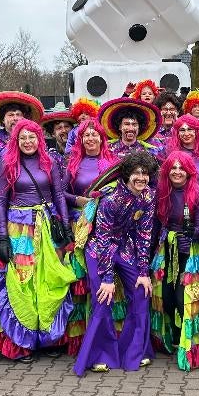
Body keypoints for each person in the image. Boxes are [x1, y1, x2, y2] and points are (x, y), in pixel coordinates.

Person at [0, 119, 75, 362]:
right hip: (19, 229)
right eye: (23, 138)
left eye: (32, 137)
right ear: (16, 140)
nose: (28, 142)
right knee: (21, 282)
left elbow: (58, 195)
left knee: (48, 279)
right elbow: (0, 202)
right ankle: (21, 343)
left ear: (39, 139)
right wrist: (3, 237)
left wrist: (66, 228)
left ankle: (48, 338)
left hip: (47, 227)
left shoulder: (50, 163)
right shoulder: (8, 164)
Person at [74, 150, 157, 376]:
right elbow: (103, 238)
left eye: (146, 174)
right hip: (99, 250)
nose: (141, 178)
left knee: (141, 293)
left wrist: (143, 272)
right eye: (137, 173)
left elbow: (144, 235)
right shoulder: (111, 198)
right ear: (127, 174)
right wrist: (108, 278)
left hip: (128, 247)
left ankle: (135, 350)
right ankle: (100, 355)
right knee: (104, 297)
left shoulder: (149, 196)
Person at [63, 119, 118, 355]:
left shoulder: (112, 163)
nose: (91, 139)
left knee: (102, 278)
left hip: (106, 227)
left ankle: (106, 334)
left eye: (95, 135)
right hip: (80, 226)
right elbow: (61, 192)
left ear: (102, 138)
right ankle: (82, 336)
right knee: (83, 280)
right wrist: (78, 200)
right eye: (87, 136)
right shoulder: (73, 165)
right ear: (80, 140)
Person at [149, 152, 199, 370]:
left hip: (189, 253)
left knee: (183, 298)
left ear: (189, 171)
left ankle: (189, 340)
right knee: (167, 298)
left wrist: (194, 236)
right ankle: (170, 336)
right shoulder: (161, 192)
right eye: (173, 168)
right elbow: (155, 225)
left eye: (182, 168)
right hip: (166, 250)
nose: (177, 172)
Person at [0, 91, 46, 178]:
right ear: (3, 120)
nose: (15, 118)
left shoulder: (33, 140)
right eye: (10, 115)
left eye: (18, 114)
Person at [98, 97, 162, 158]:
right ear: (120, 127)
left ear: (139, 127)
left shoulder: (149, 151)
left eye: (134, 124)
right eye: (127, 124)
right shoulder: (107, 149)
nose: (131, 128)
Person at [165, 113, 199, 183]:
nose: (186, 133)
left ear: (196, 131)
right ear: (177, 133)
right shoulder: (168, 152)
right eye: (182, 130)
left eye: (190, 129)